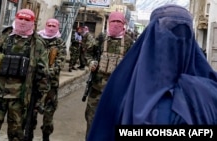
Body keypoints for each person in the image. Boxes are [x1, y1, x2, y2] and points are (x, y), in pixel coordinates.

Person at [87, 4, 217, 141]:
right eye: (166, 33)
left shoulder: (121, 88)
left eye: (181, 34)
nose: (174, 42)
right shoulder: (210, 94)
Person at [0, 9, 50, 141]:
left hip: (19, 97)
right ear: (15, 18)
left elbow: (43, 74)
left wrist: (40, 101)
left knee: (17, 135)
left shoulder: (37, 44)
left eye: (27, 20)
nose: (23, 22)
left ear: (33, 22)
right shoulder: (5, 37)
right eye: (21, 18)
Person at [84, 11, 133, 140]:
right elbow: (88, 52)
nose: (116, 24)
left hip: (118, 93)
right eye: (113, 21)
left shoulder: (129, 42)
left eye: (119, 22)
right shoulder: (101, 38)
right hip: (97, 90)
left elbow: (135, 63)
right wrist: (91, 62)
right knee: (92, 120)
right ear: (108, 22)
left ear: (124, 24)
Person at [33, 18, 66, 141]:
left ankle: (46, 136)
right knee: (32, 111)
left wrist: (47, 73)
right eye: (49, 25)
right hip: (35, 83)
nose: (51, 27)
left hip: (51, 85)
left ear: (57, 27)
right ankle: (29, 134)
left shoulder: (60, 43)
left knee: (49, 112)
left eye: (54, 25)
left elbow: (60, 61)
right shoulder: (37, 40)